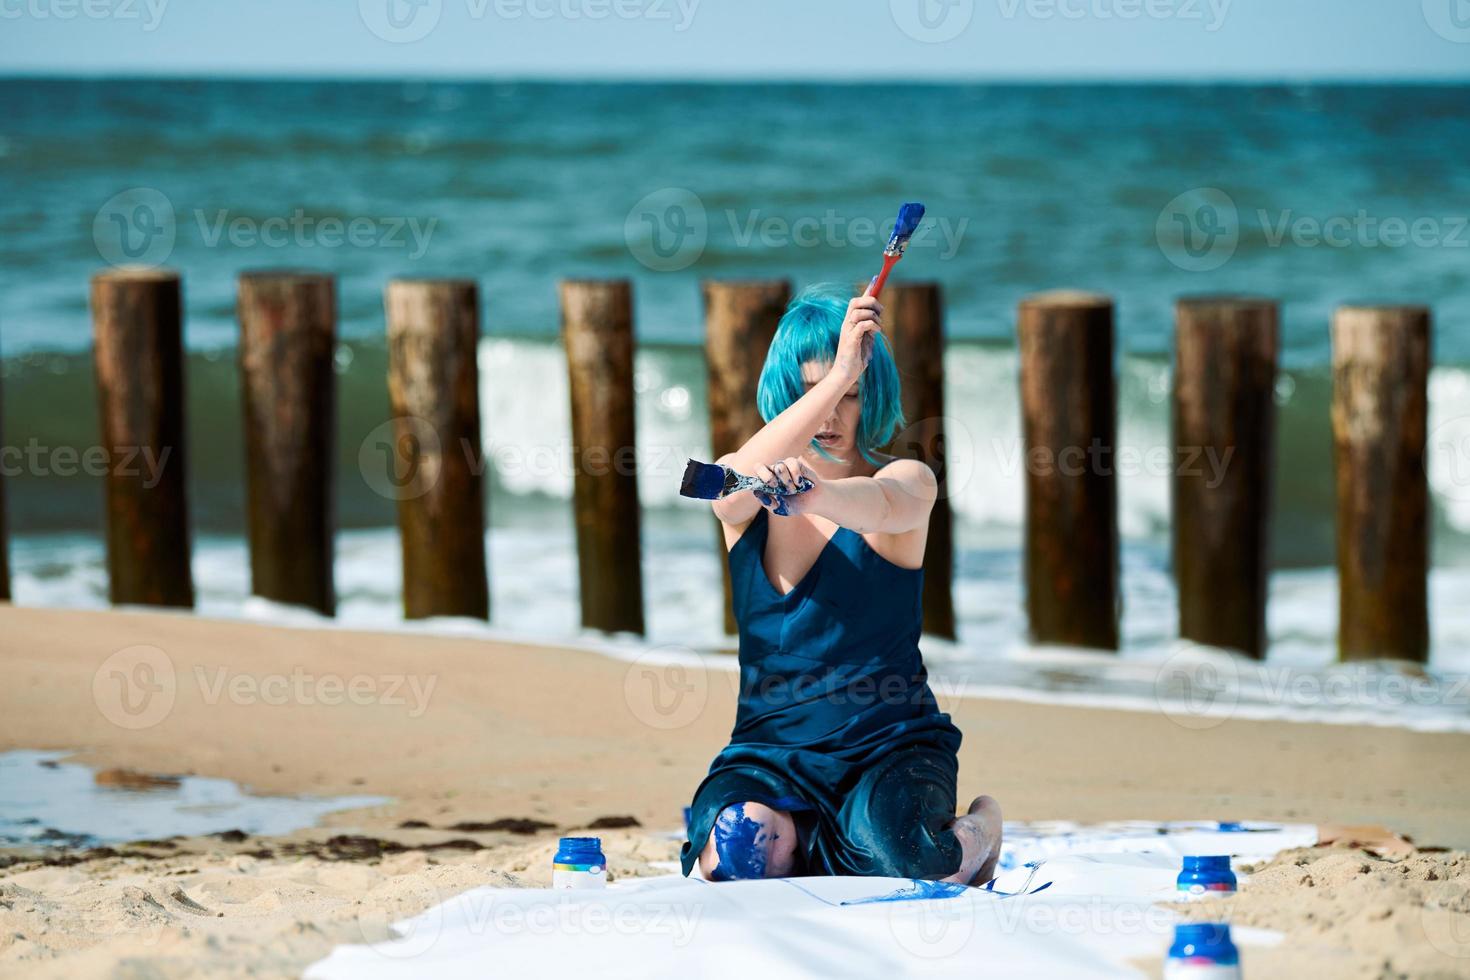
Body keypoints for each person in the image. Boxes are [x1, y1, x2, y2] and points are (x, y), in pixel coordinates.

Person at [679, 286, 1002, 885]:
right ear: (787, 394)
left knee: (905, 864)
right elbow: (718, 486)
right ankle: (795, 837)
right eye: (810, 393)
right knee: (738, 854)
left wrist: (818, 494)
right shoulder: (744, 497)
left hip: (889, 749)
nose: (830, 417)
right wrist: (837, 376)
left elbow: (881, 506)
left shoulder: (909, 479)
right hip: (768, 750)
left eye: (851, 395)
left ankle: (981, 828)